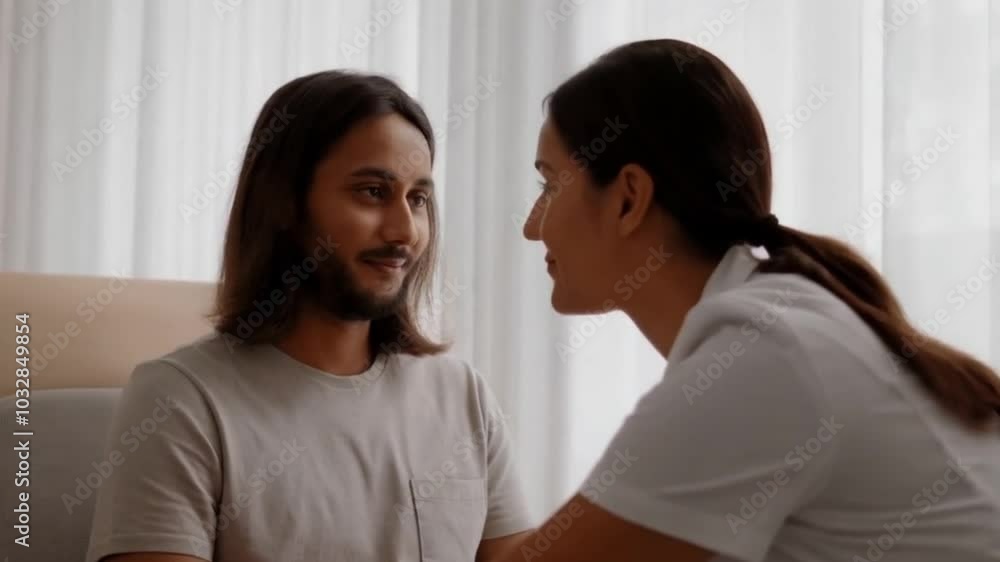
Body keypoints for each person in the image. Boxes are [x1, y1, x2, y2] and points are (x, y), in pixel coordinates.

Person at [505, 39, 1000, 562]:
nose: (531, 227)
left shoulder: (764, 353)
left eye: (549, 185)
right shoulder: (784, 323)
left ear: (628, 198)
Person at [85, 70, 532, 562]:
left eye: (418, 199)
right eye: (372, 192)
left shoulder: (464, 397)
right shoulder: (181, 401)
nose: (405, 230)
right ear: (286, 206)